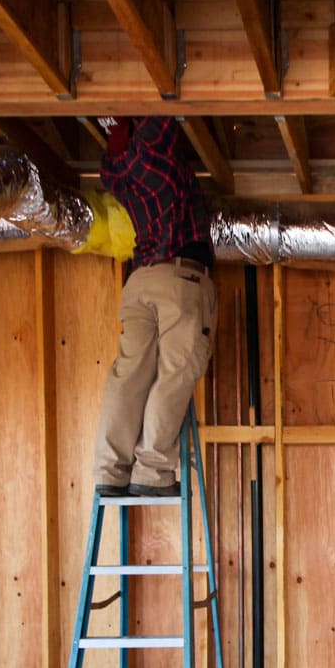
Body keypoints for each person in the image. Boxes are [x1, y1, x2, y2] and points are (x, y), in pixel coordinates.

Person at [91, 115, 217, 499]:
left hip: (139, 282)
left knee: (129, 375)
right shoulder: (155, 165)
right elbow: (158, 115)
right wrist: (153, 107)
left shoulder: (116, 173)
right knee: (176, 372)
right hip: (179, 279)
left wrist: (118, 130)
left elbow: (135, 140)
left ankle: (110, 470)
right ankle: (152, 470)